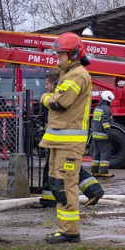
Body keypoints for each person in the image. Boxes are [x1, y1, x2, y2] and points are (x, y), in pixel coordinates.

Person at [39, 33, 93, 244]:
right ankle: (65, 229)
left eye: (60, 53)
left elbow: (61, 102)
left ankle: (70, 231)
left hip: (69, 144)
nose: (57, 57)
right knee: (56, 184)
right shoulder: (68, 74)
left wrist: (44, 98)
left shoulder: (77, 75)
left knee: (65, 185)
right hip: (59, 142)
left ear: (73, 53)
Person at [35, 69, 103, 210]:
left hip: (62, 141)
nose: (46, 87)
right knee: (69, 168)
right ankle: (93, 189)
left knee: (57, 169)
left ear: (55, 84)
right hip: (65, 140)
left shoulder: (57, 99)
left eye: (48, 84)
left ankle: (52, 200)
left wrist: (43, 98)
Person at [90, 91, 114, 178]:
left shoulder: (97, 108)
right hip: (103, 136)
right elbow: (105, 123)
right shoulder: (106, 109)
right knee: (105, 153)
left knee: (96, 153)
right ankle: (104, 172)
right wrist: (109, 133)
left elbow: (93, 122)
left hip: (95, 135)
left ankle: (95, 172)